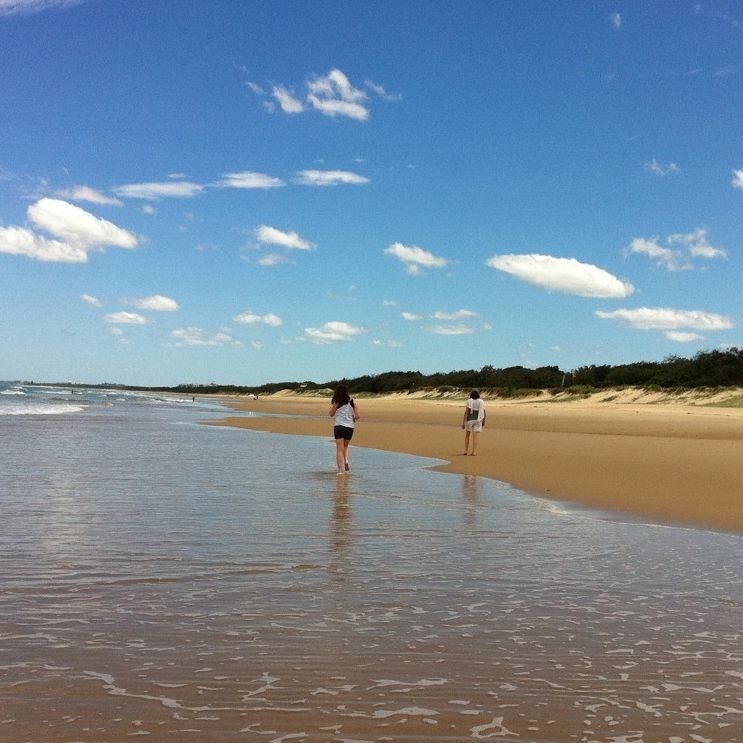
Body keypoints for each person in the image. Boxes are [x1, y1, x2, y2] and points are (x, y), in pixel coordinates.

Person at [329, 384, 360, 474]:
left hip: (339, 427)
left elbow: (331, 414)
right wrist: (353, 419)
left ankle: (340, 471)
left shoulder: (336, 401)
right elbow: (358, 416)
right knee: (346, 446)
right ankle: (346, 461)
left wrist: (333, 407)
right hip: (349, 427)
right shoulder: (352, 402)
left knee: (339, 449)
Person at [462, 389, 486, 456]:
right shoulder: (481, 401)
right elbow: (484, 412)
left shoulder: (469, 401)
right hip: (478, 420)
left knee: (467, 435)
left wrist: (463, 422)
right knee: (475, 436)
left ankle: (466, 450)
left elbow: (466, 412)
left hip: (470, 419)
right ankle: (474, 452)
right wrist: (483, 421)